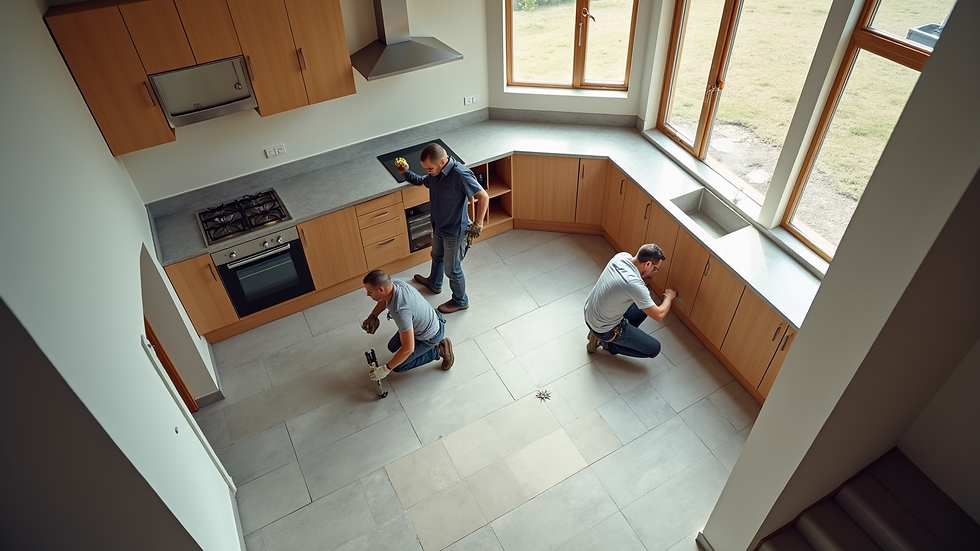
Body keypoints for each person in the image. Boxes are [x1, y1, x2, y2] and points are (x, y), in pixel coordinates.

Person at [398, 143, 489, 314]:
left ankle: (461, 301)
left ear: (442, 162)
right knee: (436, 256)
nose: (428, 171)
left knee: (452, 270)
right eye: (426, 168)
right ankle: (434, 283)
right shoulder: (435, 174)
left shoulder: (460, 174)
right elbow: (421, 181)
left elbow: (483, 196)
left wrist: (478, 223)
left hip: (455, 231)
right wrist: (405, 173)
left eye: (429, 168)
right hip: (439, 226)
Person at [583, 244, 678, 358]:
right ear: (648, 264)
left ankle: (607, 335)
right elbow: (659, 315)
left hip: (590, 313)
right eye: (655, 269)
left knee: (644, 306)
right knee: (654, 349)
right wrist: (669, 297)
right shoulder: (634, 285)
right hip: (605, 329)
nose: (655, 272)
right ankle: (608, 343)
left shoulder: (621, 257)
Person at [360, 269, 454, 381]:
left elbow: (408, 348)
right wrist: (373, 316)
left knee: (398, 366)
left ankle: (439, 350)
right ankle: (416, 339)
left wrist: (386, 368)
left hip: (431, 336)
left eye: (370, 292)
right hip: (428, 319)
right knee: (392, 347)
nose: (367, 294)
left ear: (381, 289)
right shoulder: (394, 284)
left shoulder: (400, 311)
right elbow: (383, 300)